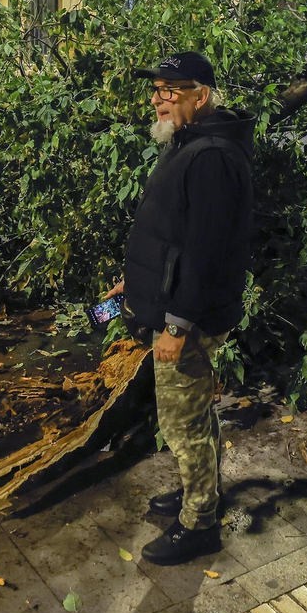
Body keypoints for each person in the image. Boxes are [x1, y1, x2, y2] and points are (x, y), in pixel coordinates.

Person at [102, 51, 254, 566]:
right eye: (157, 90)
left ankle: (199, 525)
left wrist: (177, 325)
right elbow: (171, 234)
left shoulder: (210, 156)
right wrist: (136, 281)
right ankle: (201, 493)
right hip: (174, 305)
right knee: (195, 415)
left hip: (189, 317)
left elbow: (206, 252)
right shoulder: (188, 142)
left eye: (171, 90)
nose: (159, 99)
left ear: (200, 95)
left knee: (182, 422)